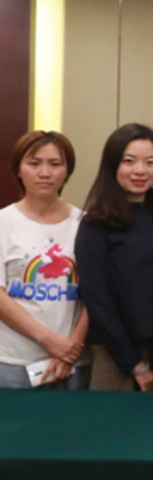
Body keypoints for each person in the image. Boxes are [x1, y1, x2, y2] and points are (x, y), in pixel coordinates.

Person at [76, 124, 153, 391]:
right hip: (114, 353)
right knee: (113, 431)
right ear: (112, 167)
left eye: (150, 162)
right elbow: (97, 300)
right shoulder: (96, 225)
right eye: (129, 161)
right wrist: (134, 364)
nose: (140, 170)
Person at [0, 131, 89, 390]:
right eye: (34, 163)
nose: (45, 172)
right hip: (13, 361)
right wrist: (50, 341)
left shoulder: (85, 224)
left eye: (55, 164)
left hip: (73, 361)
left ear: (66, 171)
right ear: (19, 170)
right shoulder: (4, 223)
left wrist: (72, 346)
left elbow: (98, 292)